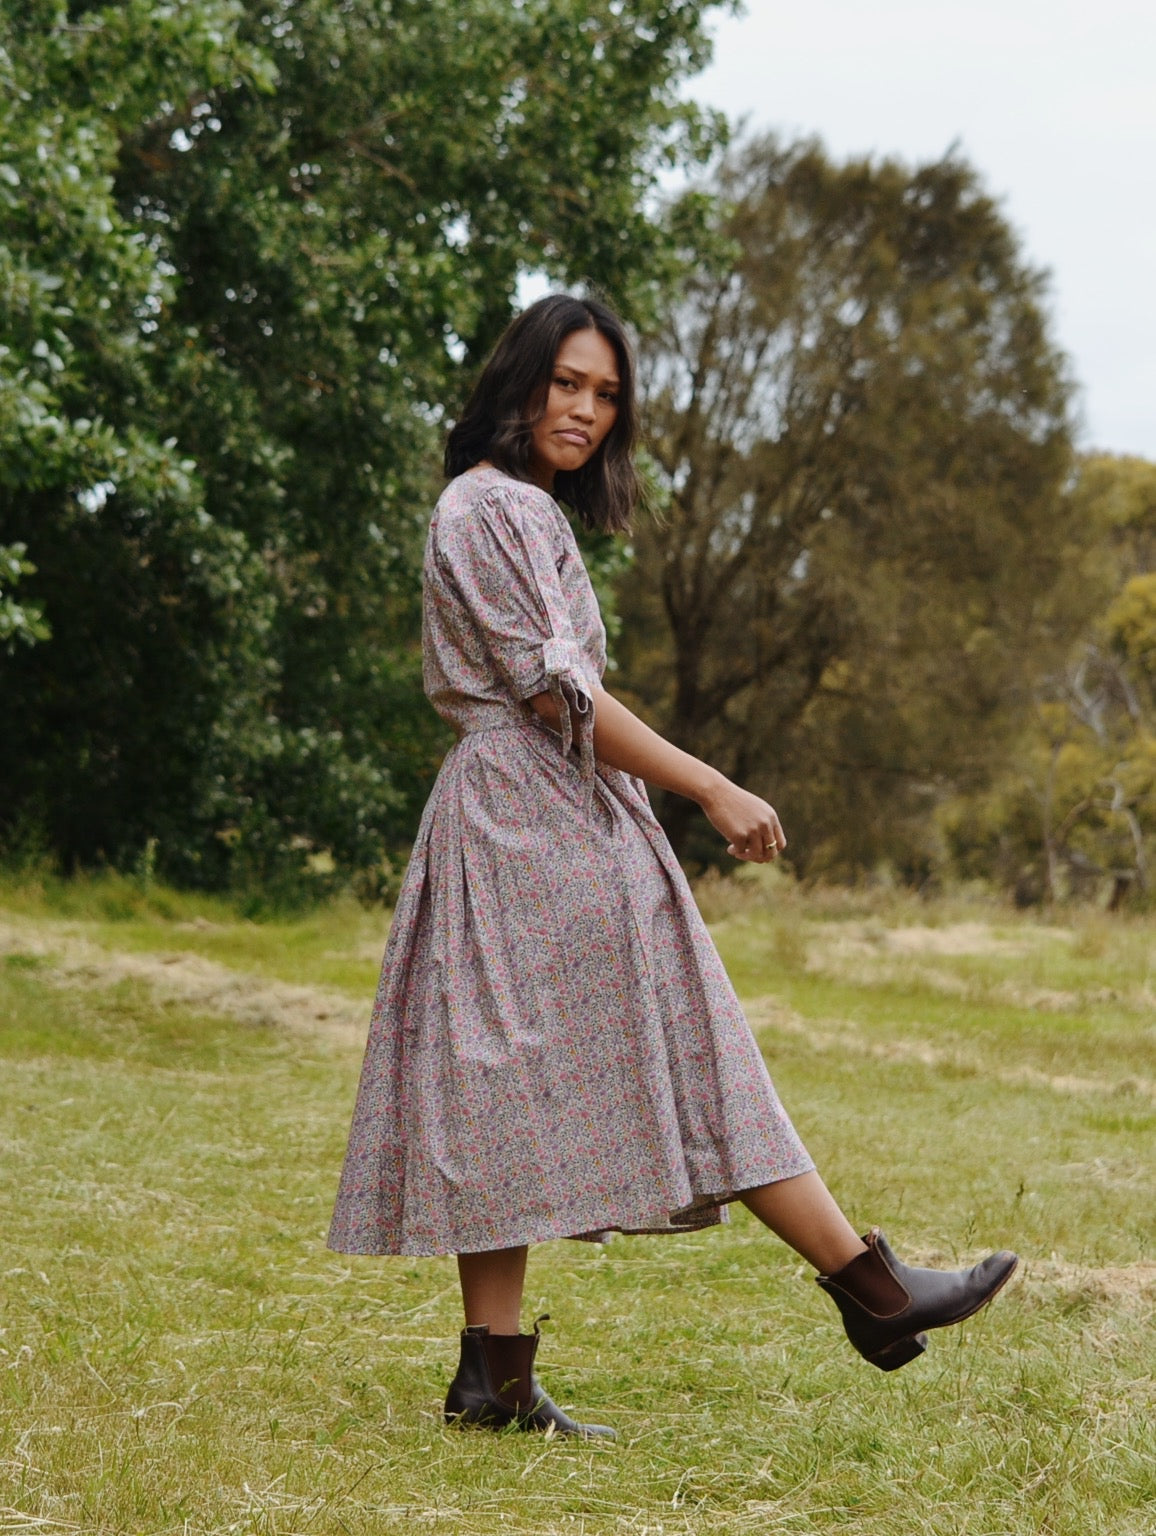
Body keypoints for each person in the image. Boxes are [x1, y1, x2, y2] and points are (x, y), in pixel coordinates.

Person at [327, 293, 1017, 1439]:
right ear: (520, 383)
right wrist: (707, 782)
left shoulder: (519, 513)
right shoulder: (490, 507)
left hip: (537, 812)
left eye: (606, 395)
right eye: (567, 384)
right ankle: (870, 1288)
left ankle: (492, 1379)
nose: (587, 411)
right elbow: (558, 691)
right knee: (676, 1043)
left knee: (504, 1080)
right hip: (529, 813)